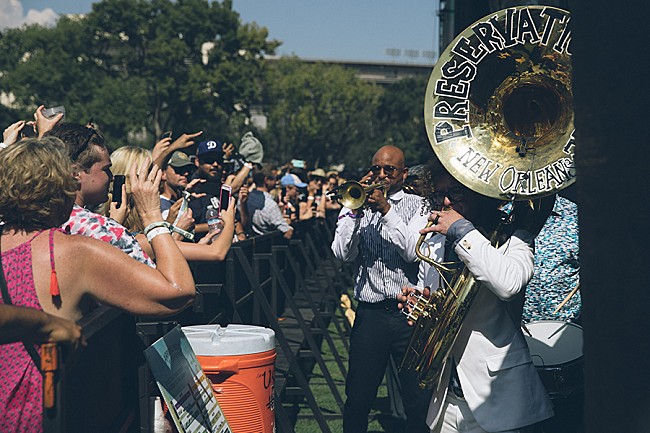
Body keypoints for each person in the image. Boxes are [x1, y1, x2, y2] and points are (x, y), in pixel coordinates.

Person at [0, 138, 196, 432]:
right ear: (62, 188)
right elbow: (177, 292)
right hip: (44, 416)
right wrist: (152, 216)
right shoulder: (74, 252)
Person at [399, 156, 554, 433]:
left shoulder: (514, 238)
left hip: (500, 398)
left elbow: (508, 284)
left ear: (478, 192)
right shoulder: (435, 241)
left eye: (455, 193)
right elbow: (434, 298)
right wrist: (419, 303)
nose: (446, 203)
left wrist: (461, 230)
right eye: (439, 195)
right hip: (445, 398)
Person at [331, 145, 431, 433]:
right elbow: (341, 253)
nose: (382, 174)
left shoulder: (417, 205)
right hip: (371, 314)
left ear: (403, 173)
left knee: (416, 397)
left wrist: (386, 209)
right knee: (359, 396)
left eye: (389, 170)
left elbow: (412, 252)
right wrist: (353, 211)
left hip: (408, 315)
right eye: (377, 168)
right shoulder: (356, 206)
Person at [44, 122, 155, 267]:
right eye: (106, 169)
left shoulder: (28, 217)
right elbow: (174, 288)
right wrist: (152, 216)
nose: (112, 176)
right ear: (75, 173)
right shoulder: (102, 229)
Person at [244, 167, 294, 239]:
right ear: (266, 180)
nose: (277, 181)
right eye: (274, 178)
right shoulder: (269, 204)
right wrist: (287, 224)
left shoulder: (245, 198)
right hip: (266, 245)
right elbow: (287, 232)